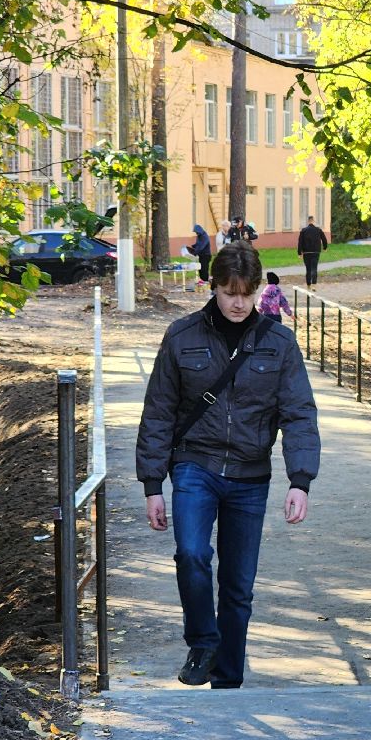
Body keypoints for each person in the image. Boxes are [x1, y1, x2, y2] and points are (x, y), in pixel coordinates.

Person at [135, 242, 320, 689]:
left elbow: (299, 413)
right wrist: (152, 483)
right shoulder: (181, 336)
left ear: (258, 290)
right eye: (229, 292)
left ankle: (228, 680)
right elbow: (159, 411)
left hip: (250, 477)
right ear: (213, 286)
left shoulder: (279, 343)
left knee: (238, 589)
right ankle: (202, 642)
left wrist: (301, 480)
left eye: (247, 293)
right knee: (193, 554)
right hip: (194, 466)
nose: (239, 303)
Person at [297, 215, 329, 287]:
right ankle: (314, 284)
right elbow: (324, 239)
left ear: (308, 221)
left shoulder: (303, 230)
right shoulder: (318, 230)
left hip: (306, 252)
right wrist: (325, 247)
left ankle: (308, 285)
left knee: (308, 269)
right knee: (314, 268)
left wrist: (299, 252)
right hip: (316, 252)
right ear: (313, 221)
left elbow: (300, 242)